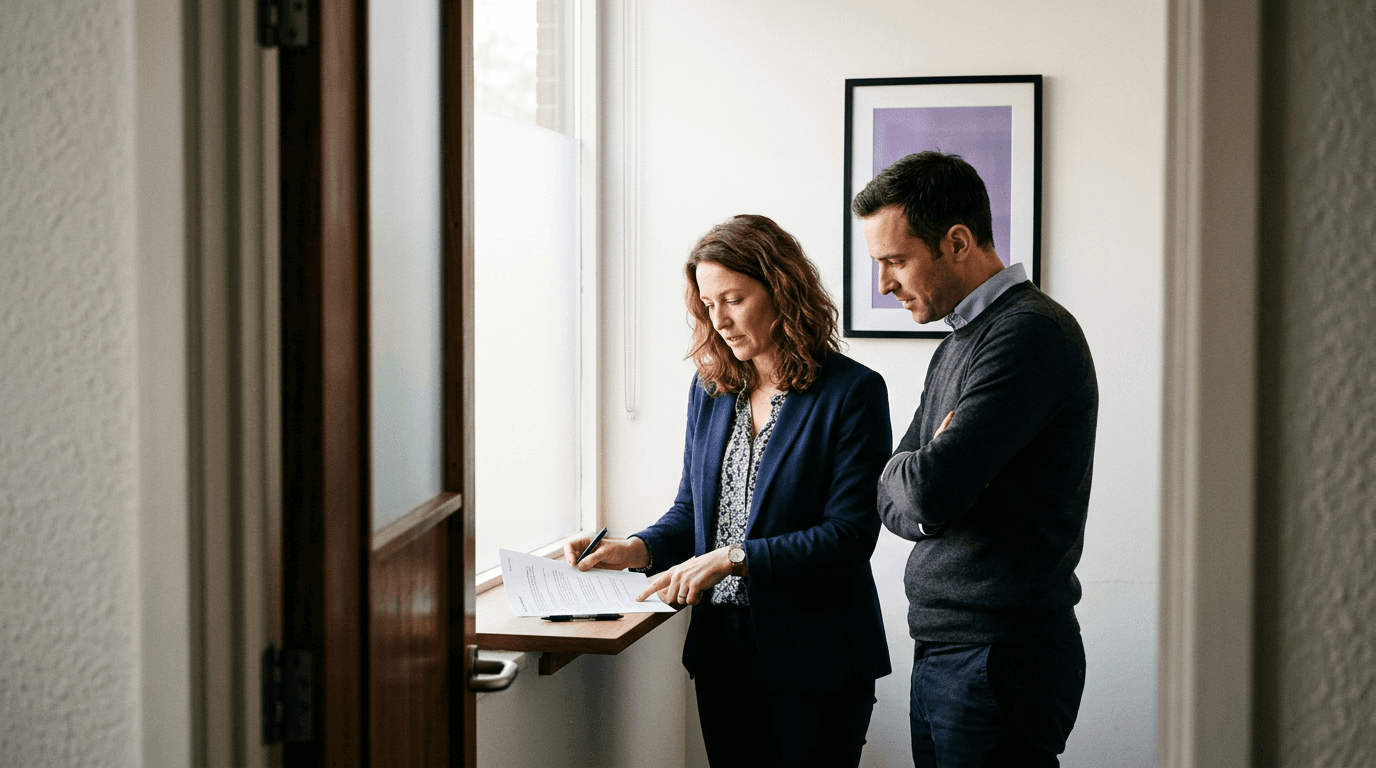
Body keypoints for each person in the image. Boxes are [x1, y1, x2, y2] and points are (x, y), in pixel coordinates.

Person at [564, 214, 892, 767]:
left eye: (733, 299)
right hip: (722, 654)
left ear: (782, 288)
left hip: (818, 659)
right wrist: (635, 550)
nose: (720, 321)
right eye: (708, 305)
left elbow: (848, 537)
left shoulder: (853, 392)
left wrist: (735, 559)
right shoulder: (712, 388)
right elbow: (692, 512)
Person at [852, 151, 1098, 767]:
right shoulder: (960, 341)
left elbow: (930, 487)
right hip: (952, 648)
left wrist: (922, 481)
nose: (883, 284)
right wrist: (917, 477)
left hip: (1000, 656)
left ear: (957, 241)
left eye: (894, 261)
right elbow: (889, 488)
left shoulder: (1028, 333)